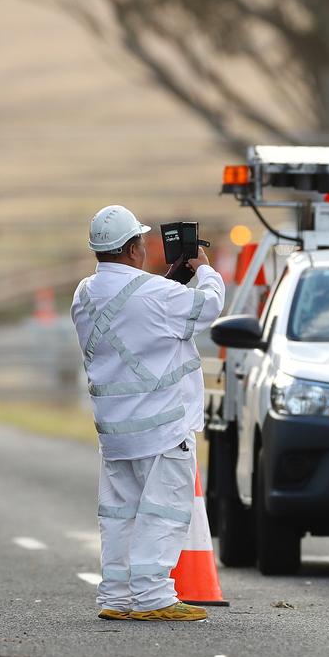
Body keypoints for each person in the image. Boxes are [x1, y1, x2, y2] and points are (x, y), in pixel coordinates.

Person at [70, 204, 225, 622]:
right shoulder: (158, 294)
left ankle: (116, 598)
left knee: (120, 514)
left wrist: (167, 282)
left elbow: (132, 308)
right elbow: (208, 307)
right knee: (164, 511)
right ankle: (154, 596)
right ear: (134, 248)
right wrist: (205, 269)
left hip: (115, 430)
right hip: (162, 426)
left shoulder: (83, 295)